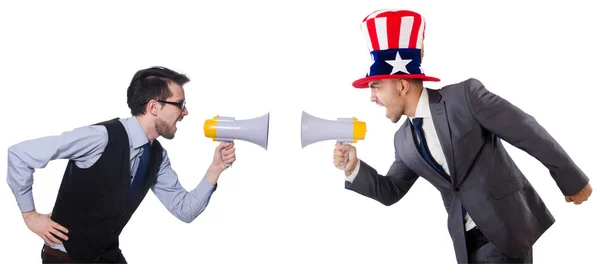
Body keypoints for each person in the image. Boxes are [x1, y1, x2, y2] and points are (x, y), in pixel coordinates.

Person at [333, 9, 592, 263]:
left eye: (376, 87)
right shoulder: (403, 141)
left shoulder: (464, 98)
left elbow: (527, 131)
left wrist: (571, 179)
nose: (372, 97)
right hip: (467, 246)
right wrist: (353, 167)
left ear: (402, 85)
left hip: (506, 230)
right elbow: (391, 191)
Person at [6, 66, 236, 263]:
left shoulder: (157, 156)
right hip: (66, 258)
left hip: (108, 256)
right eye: (180, 104)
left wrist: (215, 168)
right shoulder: (100, 137)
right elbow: (20, 154)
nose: (185, 111)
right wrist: (30, 215)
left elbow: (184, 210)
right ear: (154, 107)